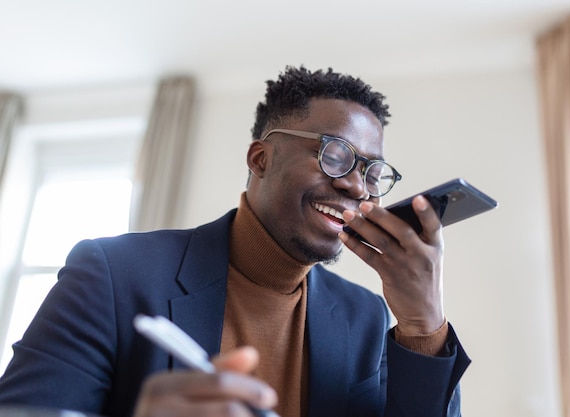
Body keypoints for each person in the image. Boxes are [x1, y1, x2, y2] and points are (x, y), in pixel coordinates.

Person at [0, 66, 470, 417]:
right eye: (335, 154)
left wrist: (422, 323)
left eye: (370, 171)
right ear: (261, 158)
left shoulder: (365, 316)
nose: (356, 186)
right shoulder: (112, 273)